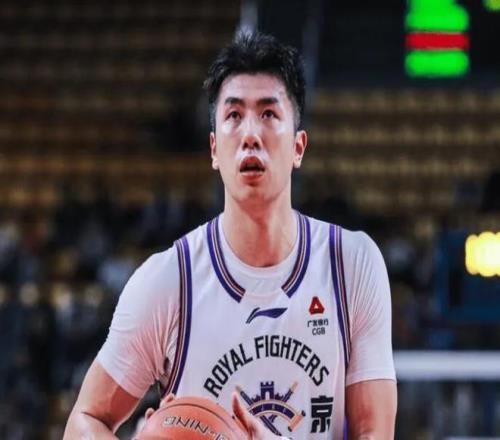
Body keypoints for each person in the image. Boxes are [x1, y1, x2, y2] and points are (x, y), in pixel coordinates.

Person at [64, 31, 397, 439]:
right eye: (234, 115)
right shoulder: (170, 281)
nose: (250, 134)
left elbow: (376, 432)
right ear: (213, 149)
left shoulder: (351, 263)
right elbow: (84, 421)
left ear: (298, 147)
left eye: (269, 114)